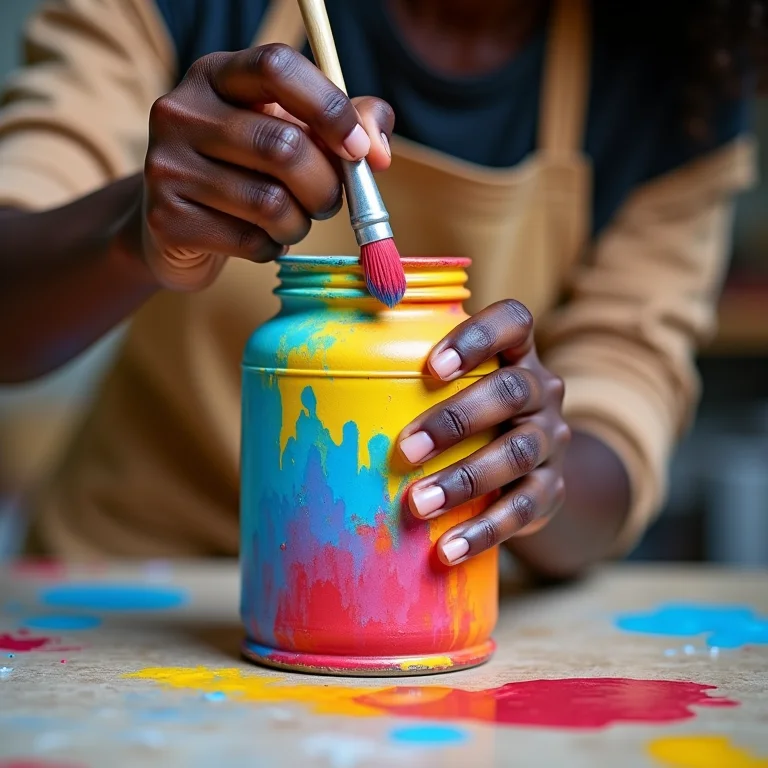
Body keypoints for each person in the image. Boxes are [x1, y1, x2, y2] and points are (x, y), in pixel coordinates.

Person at [0, 0, 761, 575]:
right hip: (131, 591)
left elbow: (624, 408)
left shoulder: (682, 68)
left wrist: (537, 471)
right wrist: (139, 229)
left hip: (425, 606)